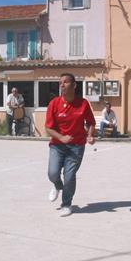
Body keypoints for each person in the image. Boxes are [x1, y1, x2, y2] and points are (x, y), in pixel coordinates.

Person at [45, 73, 96, 217]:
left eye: (65, 82)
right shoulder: (54, 103)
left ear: (74, 85)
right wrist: (61, 137)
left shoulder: (83, 103)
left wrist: (90, 135)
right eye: (60, 82)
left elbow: (91, 122)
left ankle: (66, 204)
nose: (62, 85)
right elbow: (48, 128)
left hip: (76, 146)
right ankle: (57, 185)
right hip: (57, 145)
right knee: (53, 173)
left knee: (69, 175)